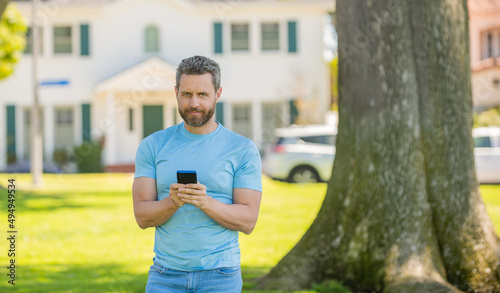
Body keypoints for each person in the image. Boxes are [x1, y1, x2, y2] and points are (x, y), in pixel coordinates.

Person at [132, 55, 262, 293]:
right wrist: (173, 202)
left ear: (218, 94)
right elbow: (142, 216)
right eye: (187, 94)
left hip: (221, 276)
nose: (194, 103)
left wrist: (204, 202)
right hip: (165, 275)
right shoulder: (153, 146)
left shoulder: (241, 149)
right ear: (176, 93)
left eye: (202, 94)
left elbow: (248, 220)